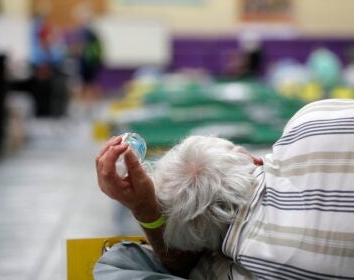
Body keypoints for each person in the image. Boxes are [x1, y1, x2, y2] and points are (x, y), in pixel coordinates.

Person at [94, 98, 354, 279]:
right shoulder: (312, 120)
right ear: (248, 156)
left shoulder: (247, 270)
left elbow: (179, 266)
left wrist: (145, 209)